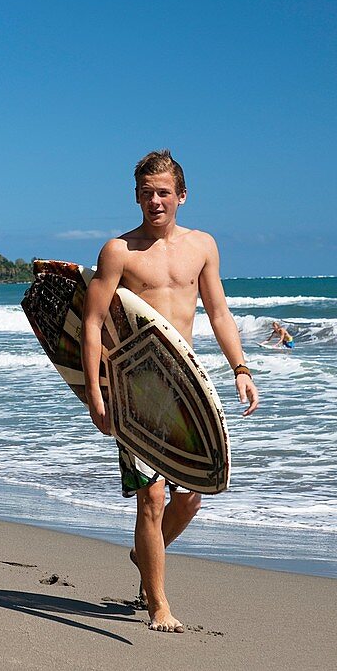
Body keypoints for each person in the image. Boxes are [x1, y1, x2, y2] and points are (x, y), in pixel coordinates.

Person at [81, 149, 259, 633]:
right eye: (146, 193)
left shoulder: (202, 246)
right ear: (136, 196)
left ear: (182, 195)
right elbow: (93, 323)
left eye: (163, 192)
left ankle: (144, 554)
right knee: (152, 499)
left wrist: (240, 367)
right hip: (135, 390)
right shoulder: (119, 251)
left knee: (190, 499)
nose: (154, 201)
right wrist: (98, 395)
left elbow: (219, 312)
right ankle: (158, 603)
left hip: (186, 385)